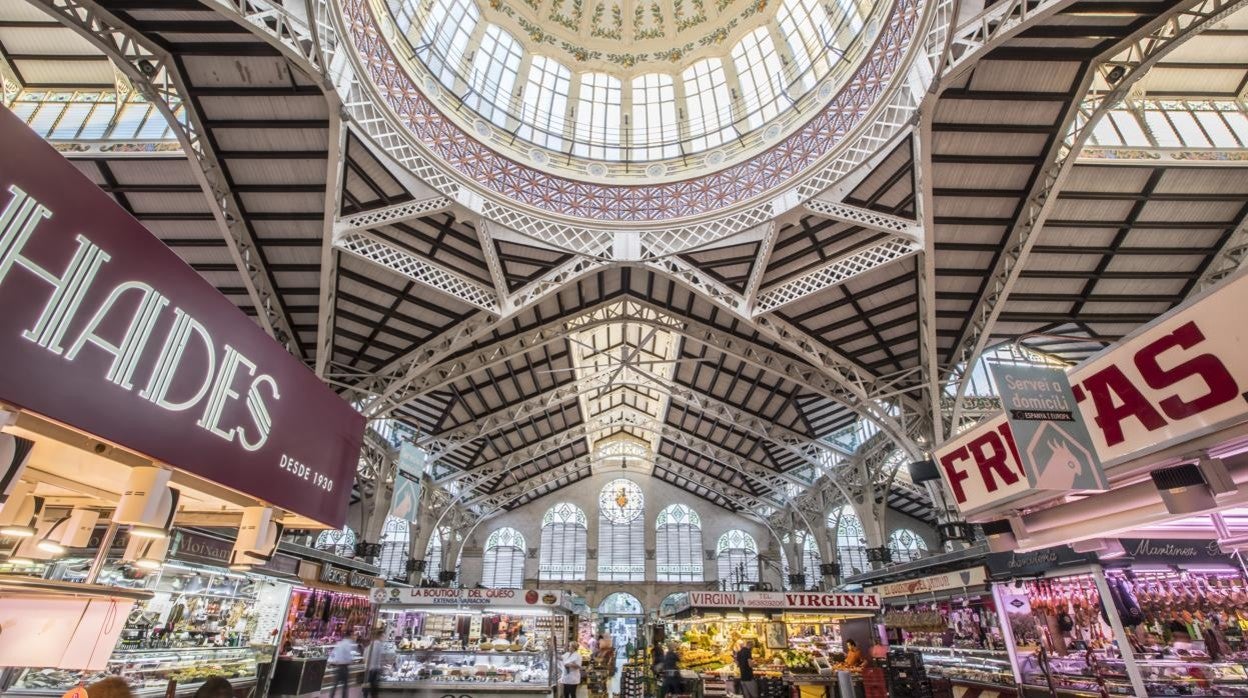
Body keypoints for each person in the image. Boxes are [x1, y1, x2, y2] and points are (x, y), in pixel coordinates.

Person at [328, 634, 358, 698]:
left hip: (338, 667)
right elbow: (348, 656)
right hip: (344, 667)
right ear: (349, 637)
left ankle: (331, 696)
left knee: (335, 685)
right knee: (345, 686)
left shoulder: (339, 643)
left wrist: (332, 662)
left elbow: (333, 654)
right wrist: (351, 661)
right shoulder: (348, 644)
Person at [364, 629, 386, 698]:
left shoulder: (371, 644)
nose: (384, 637)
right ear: (380, 636)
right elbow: (381, 657)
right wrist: (382, 667)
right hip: (375, 669)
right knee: (374, 689)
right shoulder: (379, 645)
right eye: (383, 636)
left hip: (368, 668)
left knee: (367, 686)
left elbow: (365, 655)